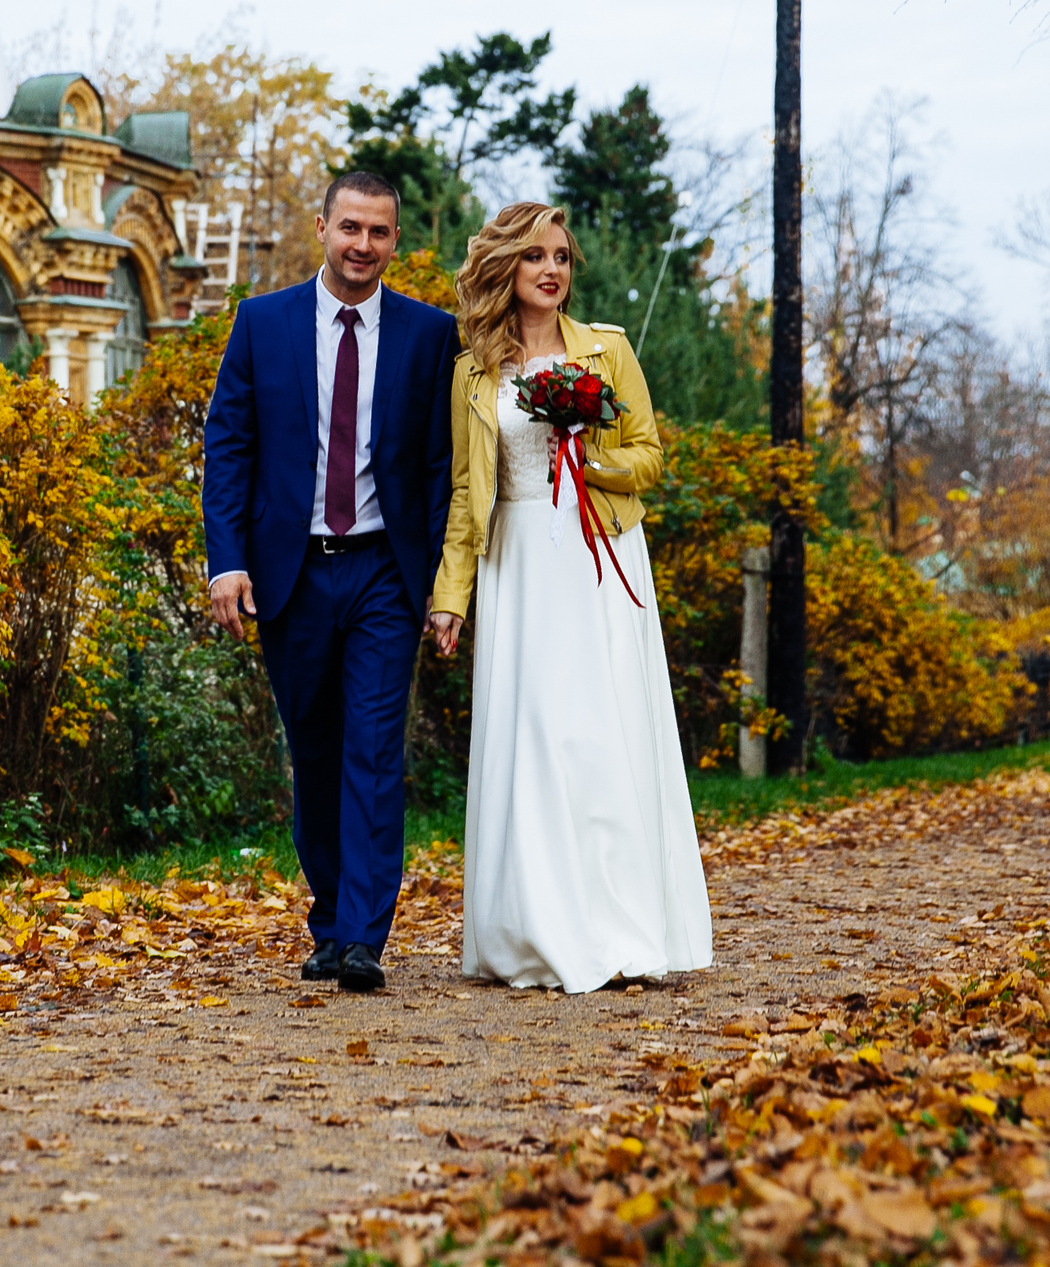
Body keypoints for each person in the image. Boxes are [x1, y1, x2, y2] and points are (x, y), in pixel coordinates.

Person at [425, 202, 713, 993]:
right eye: (534, 257)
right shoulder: (474, 372)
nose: (552, 269)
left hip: (600, 554)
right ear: (505, 270)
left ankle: (618, 928)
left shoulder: (608, 351)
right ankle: (534, 929)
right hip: (520, 565)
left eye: (561, 256)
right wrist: (451, 597)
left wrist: (595, 462)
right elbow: (463, 490)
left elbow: (650, 455)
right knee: (536, 739)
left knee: (600, 735)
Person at [202, 173, 461, 993]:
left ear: (394, 241)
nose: (363, 244)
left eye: (379, 232)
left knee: (375, 749)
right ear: (321, 227)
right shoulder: (263, 322)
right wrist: (226, 558)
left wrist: (443, 581)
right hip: (293, 572)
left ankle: (362, 935)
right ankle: (328, 920)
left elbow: (439, 465)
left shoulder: (430, 335)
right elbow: (229, 444)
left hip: (386, 571)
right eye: (350, 226)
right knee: (312, 751)